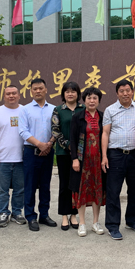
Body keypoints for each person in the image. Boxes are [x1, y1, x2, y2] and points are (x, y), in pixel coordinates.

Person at [101, 79, 135, 240]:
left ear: (132, 91)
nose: (125, 93)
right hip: (115, 155)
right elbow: (105, 133)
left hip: (134, 155)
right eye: (122, 91)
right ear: (117, 93)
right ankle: (113, 226)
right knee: (113, 191)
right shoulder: (110, 110)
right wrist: (104, 156)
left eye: (128, 90)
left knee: (134, 190)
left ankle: (132, 221)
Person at [18, 78, 57, 232]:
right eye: (35, 89)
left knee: (45, 185)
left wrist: (49, 144)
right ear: (31, 91)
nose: (38, 91)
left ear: (46, 90)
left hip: (48, 151)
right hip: (31, 152)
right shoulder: (25, 109)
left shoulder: (54, 109)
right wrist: (40, 144)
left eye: (41, 88)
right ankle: (30, 216)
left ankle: (44, 215)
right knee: (30, 185)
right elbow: (23, 131)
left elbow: (56, 129)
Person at [69, 87, 106, 237]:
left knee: (97, 190)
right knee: (82, 191)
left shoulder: (103, 117)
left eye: (95, 98)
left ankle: (96, 222)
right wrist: (74, 159)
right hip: (82, 161)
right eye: (89, 98)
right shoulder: (78, 117)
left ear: (99, 101)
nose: (92, 101)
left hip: (98, 161)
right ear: (84, 100)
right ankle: (82, 223)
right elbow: (72, 140)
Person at [0, 85, 26, 227]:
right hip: (2, 159)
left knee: (20, 189)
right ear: (4, 96)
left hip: (21, 158)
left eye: (14, 93)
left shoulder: (25, 111)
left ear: (19, 95)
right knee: (2, 190)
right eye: (8, 94)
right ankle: (4, 213)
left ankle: (17, 212)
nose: (11, 96)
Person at [51, 82, 84, 231]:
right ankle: (64, 215)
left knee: (76, 184)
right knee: (64, 184)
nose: (70, 94)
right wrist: (68, 145)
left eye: (73, 91)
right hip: (63, 153)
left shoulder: (83, 109)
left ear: (78, 94)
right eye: (67, 91)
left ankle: (74, 214)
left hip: (80, 154)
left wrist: (78, 148)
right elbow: (55, 130)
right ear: (63, 94)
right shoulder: (58, 110)